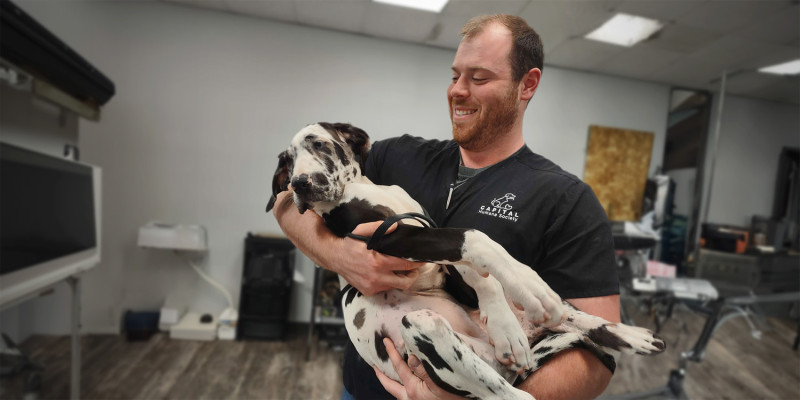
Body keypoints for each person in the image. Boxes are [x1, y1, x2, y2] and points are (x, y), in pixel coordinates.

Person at [273, 14, 620, 400]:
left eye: (479, 78)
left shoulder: (567, 200)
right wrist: (340, 256)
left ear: (528, 85)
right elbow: (286, 200)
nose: (457, 90)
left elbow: (598, 356)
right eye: (455, 75)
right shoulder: (393, 156)